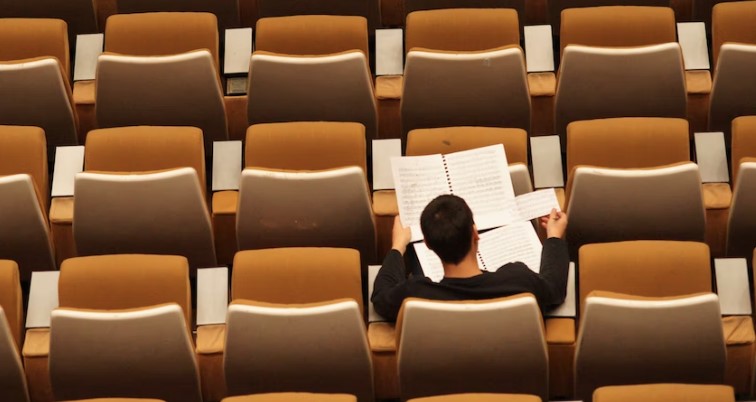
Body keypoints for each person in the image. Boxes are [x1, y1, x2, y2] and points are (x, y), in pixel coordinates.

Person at [371, 194, 569, 321]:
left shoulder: (416, 295)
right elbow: (554, 288)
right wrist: (553, 236)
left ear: (428, 245)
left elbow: (380, 297)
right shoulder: (519, 281)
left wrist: (398, 246)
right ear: (475, 234)